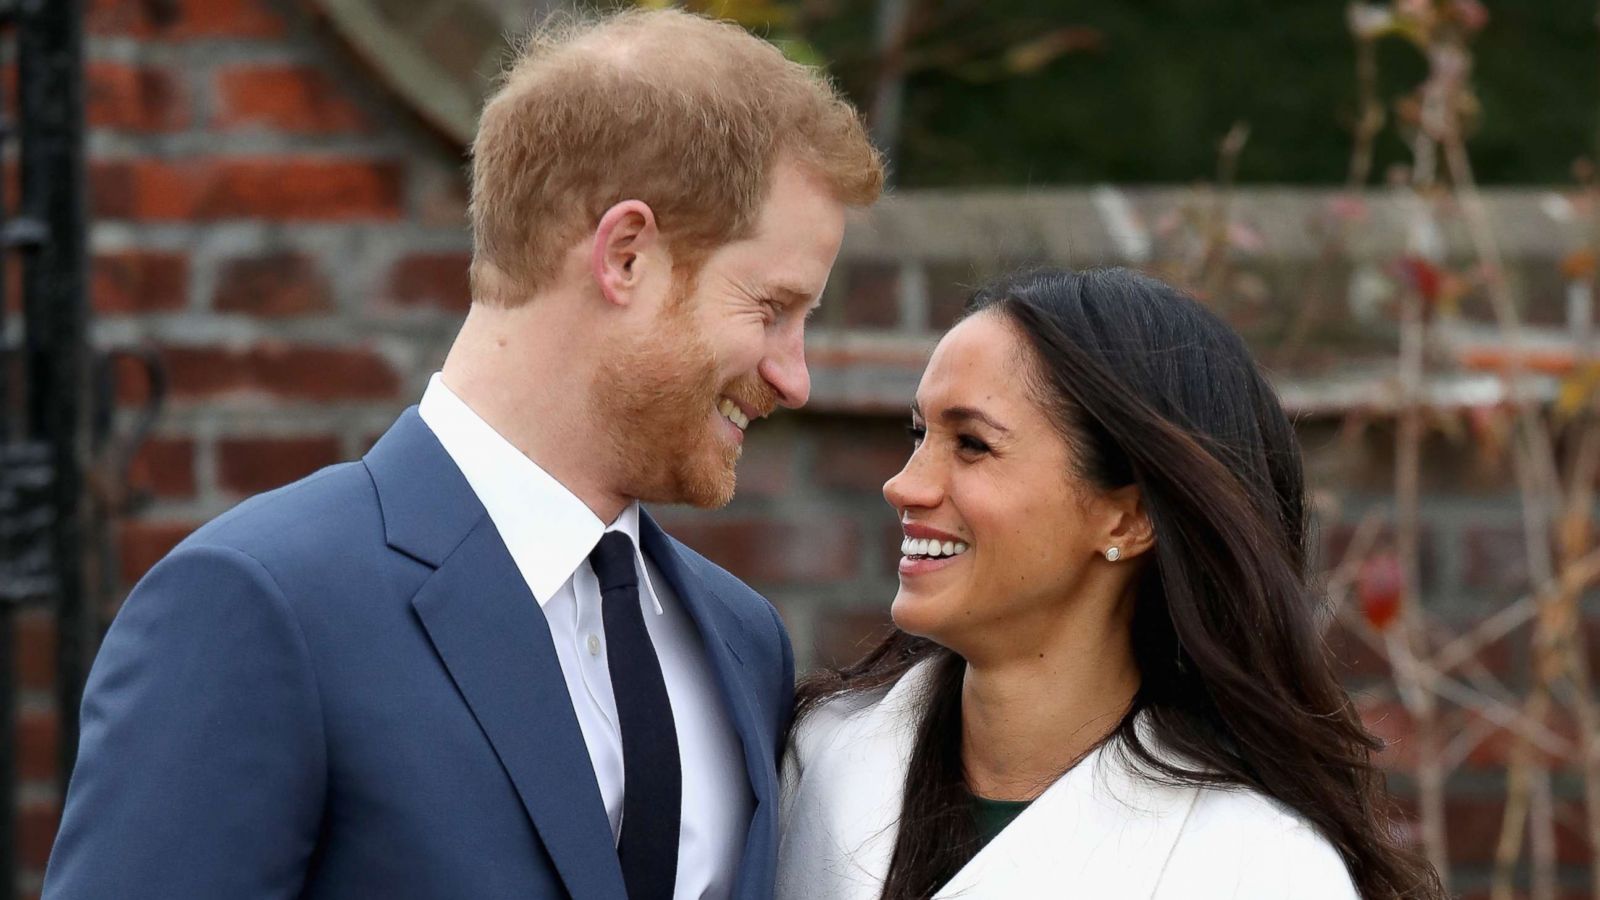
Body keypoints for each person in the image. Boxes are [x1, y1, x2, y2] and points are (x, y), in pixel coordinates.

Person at [44, 9, 881, 900]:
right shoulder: (260, 604)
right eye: (770, 309)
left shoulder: (742, 641)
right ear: (626, 255)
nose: (794, 378)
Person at [778, 268, 1443, 899]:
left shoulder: (1258, 866)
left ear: (1127, 517)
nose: (905, 484)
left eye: (972, 445)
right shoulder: (816, 764)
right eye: (919, 434)